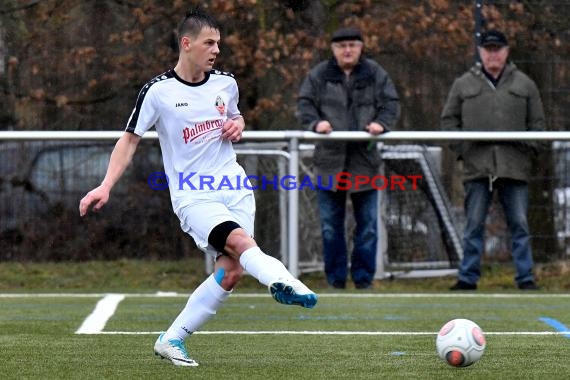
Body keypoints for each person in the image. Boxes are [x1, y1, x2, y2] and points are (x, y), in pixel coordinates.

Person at [79, 9, 317, 367]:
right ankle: (284, 281)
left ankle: (172, 338)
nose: (216, 50)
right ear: (186, 44)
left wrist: (238, 123)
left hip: (234, 187)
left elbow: (235, 115)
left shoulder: (226, 83)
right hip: (194, 195)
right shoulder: (158, 91)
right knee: (240, 242)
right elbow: (129, 140)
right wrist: (106, 184)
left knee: (231, 270)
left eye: (218, 43)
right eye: (210, 42)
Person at [296, 27, 400, 289]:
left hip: (365, 161)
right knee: (331, 228)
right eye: (342, 46)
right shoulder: (319, 74)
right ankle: (336, 281)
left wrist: (381, 124)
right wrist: (316, 123)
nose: (347, 50)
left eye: (353, 45)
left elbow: (391, 104)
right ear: (333, 49)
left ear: (361, 47)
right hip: (329, 162)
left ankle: (364, 280)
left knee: (368, 227)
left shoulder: (376, 73)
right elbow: (304, 105)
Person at [441, 30, 545, 291]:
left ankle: (525, 278)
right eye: (488, 49)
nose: (493, 54)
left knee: (520, 224)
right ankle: (467, 278)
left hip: (514, 167)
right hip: (477, 168)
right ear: (480, 52)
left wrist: (526, 151)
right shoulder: (463, 83)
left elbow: (538, 125)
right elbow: (448, 122)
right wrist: (465, 150)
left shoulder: (525, 84)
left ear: (507, 51)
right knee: (473, 224)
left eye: (497, 48)